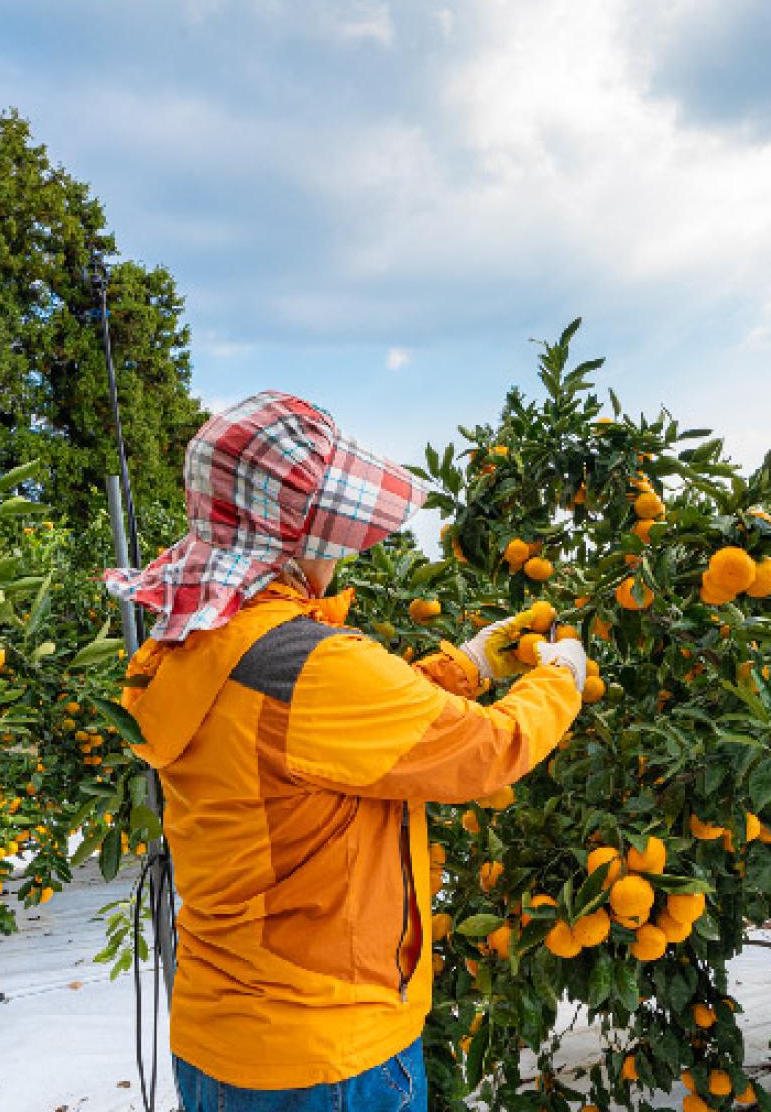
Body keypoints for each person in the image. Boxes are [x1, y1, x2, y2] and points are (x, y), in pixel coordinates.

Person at [103, 391, 586, 1112]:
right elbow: (486, 749)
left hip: (224, 1039)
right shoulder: (308, 663)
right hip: (327, 1051)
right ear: (297, 538)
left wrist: (468, 667)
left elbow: (325, 738)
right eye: (334, 534)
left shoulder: (195, 642)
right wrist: (560, 681)